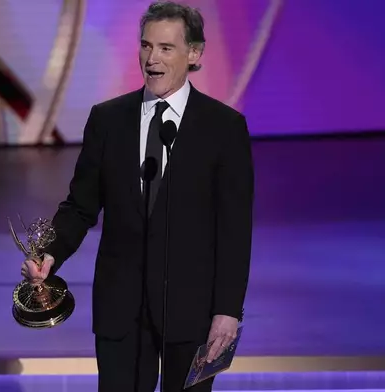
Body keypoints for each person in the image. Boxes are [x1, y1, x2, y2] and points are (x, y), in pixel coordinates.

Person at [21, 1, 254, 391]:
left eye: (166, 48)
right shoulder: (108, 119)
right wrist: (51, 252)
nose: (152, 58)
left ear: (193, 53)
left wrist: (227, 311)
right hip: (121, 309)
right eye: (146, 46)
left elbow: (234, 229)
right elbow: (80, 206)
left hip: (191, 311)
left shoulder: (224, 128)